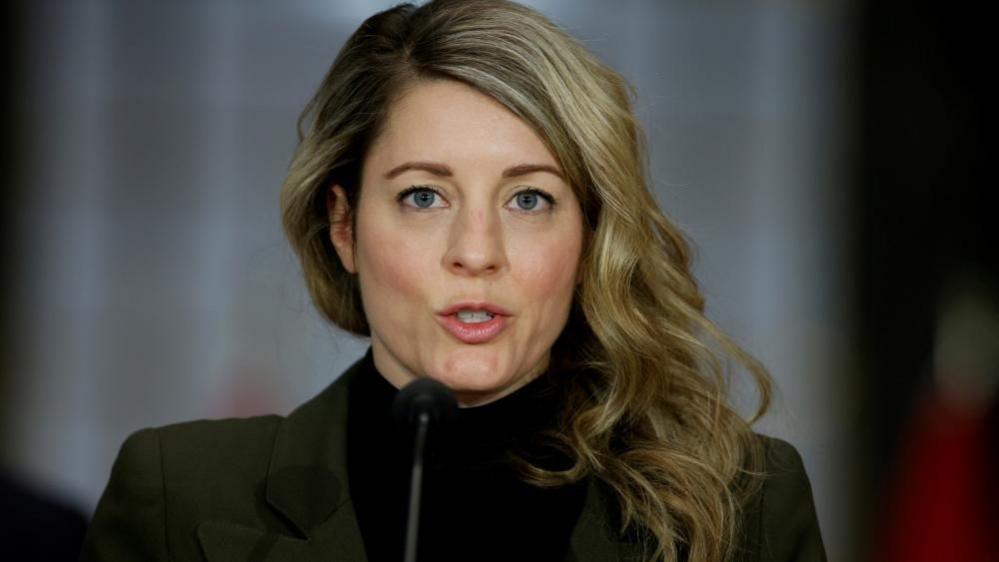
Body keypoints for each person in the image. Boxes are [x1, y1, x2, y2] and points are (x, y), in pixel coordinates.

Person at [79, 1, 827, 561]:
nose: (476, 252)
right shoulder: (178, 495)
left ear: (590, 235)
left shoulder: (743, 502)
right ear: (343, 227)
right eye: (423, 196)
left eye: (528, 198)